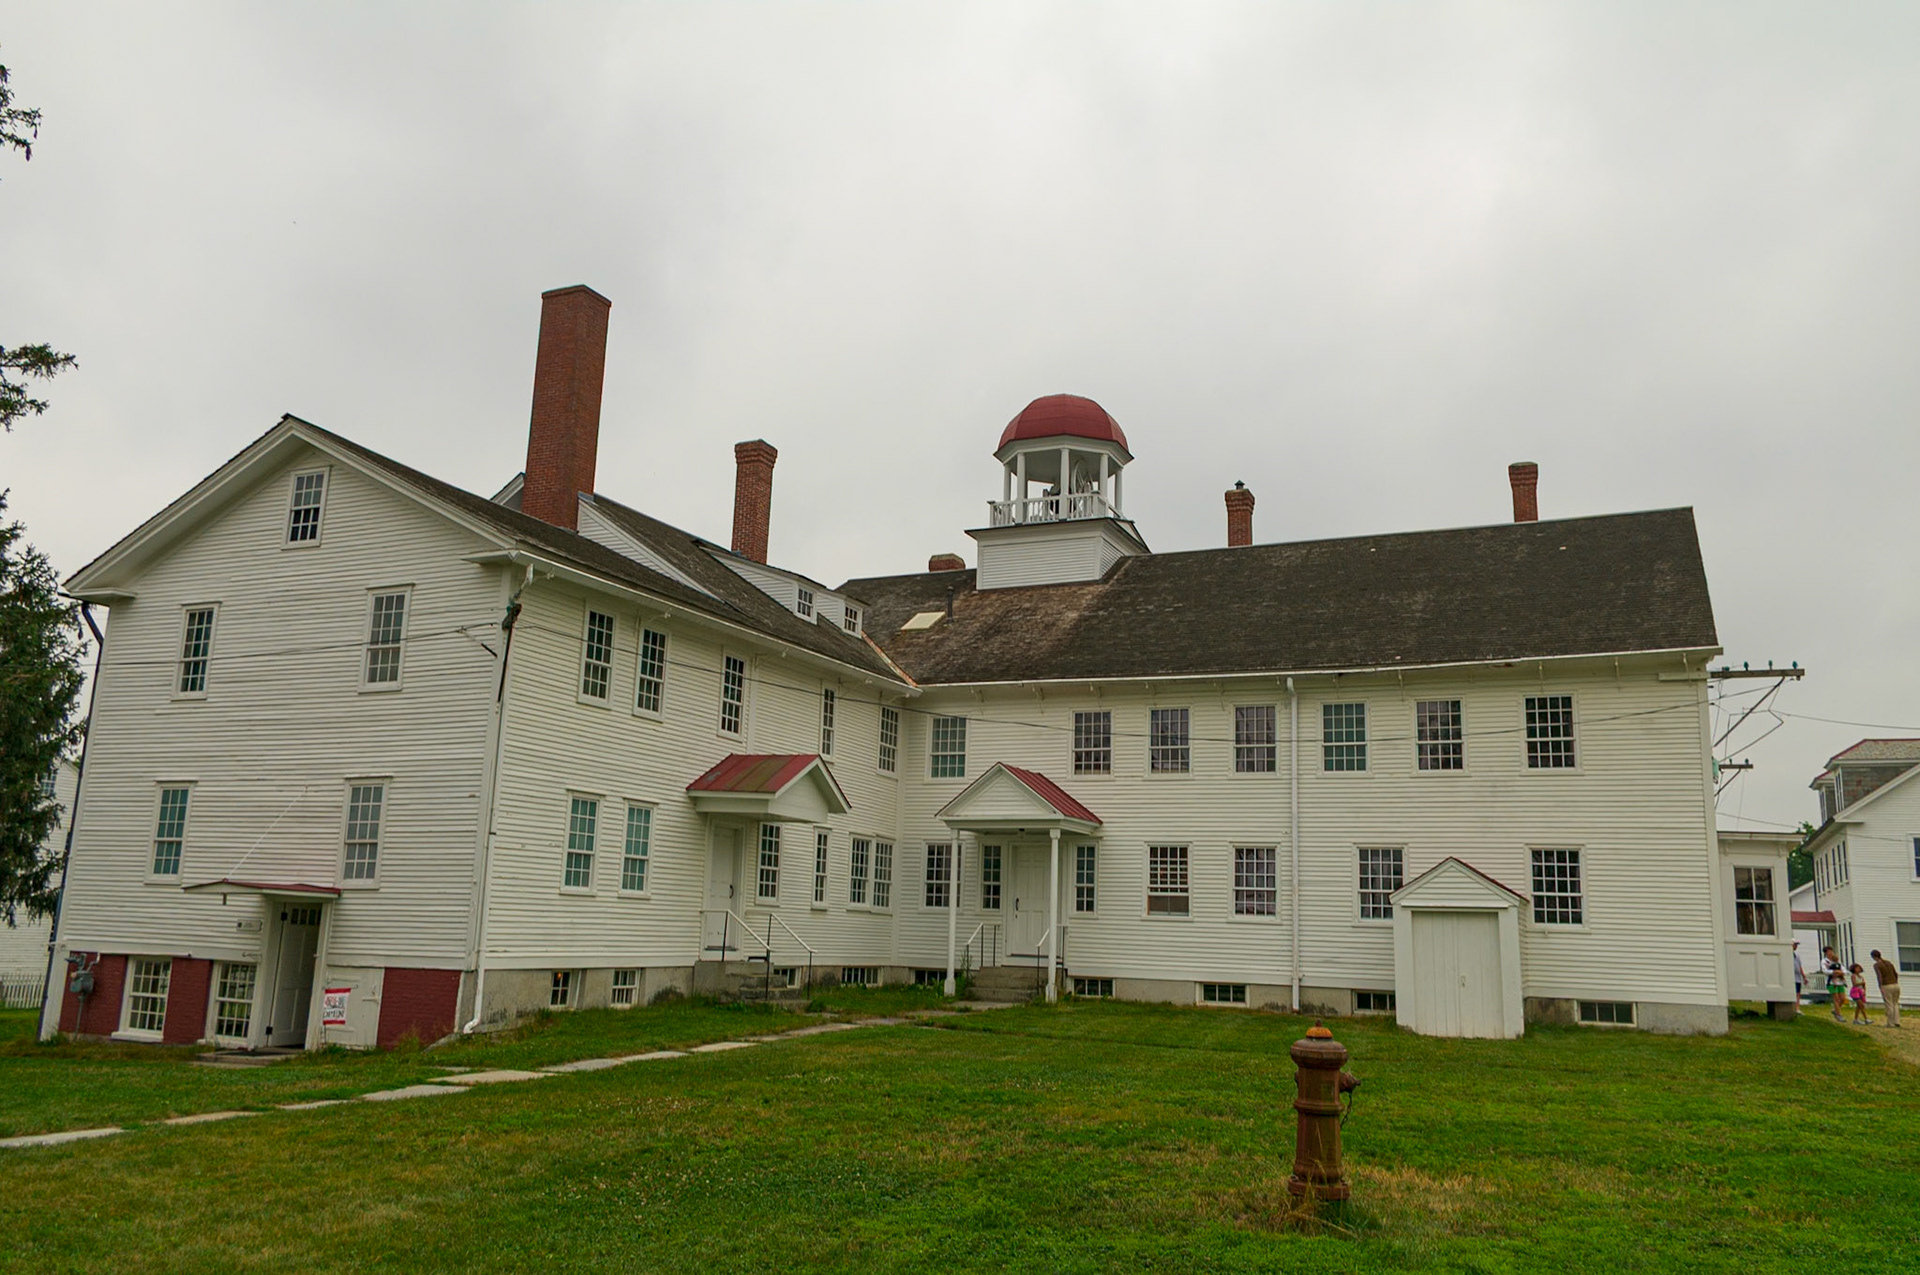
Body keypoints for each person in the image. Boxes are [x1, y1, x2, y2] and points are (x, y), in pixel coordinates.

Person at [1871, 949, 1903, 1029]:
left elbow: (1879, 976)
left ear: (1874, 957)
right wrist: (1895, 981)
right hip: (1895, 984)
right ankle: (1897, 1021)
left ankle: (1890, 1023)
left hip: (1886, 985)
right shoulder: (1889, 963)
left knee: (1889, 1004)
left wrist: (1880, 986)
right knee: (1895, 1003)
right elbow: (1895, 973)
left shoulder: (1877, 965)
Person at [1823, 947, 1847, 1021]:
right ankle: (1838, 1015)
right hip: (1832, 982)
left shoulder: (1837, 961)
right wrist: (1834, 972)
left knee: (1843, 999)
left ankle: (1835, 1010)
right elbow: (1825, 971)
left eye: (1831, 951)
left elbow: (1843, 969)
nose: (1830, 953)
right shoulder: (1824, 961)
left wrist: (1841, 972)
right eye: (1829, 951)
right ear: (1825, 953)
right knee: (1836, 998)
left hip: (1840, 981)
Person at [1793, 942, 1806, 1013]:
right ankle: (1793, 1007)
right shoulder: (1787, 954)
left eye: (1796, 945)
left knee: (1798, 993)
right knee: (1794, 993)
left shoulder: (1797, 955)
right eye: (1795, 945)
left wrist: (1804, 976)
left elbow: (1800, 966)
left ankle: (1797, 1008)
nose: (1796, 946)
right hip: (1791, 977)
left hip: (1797, 977)